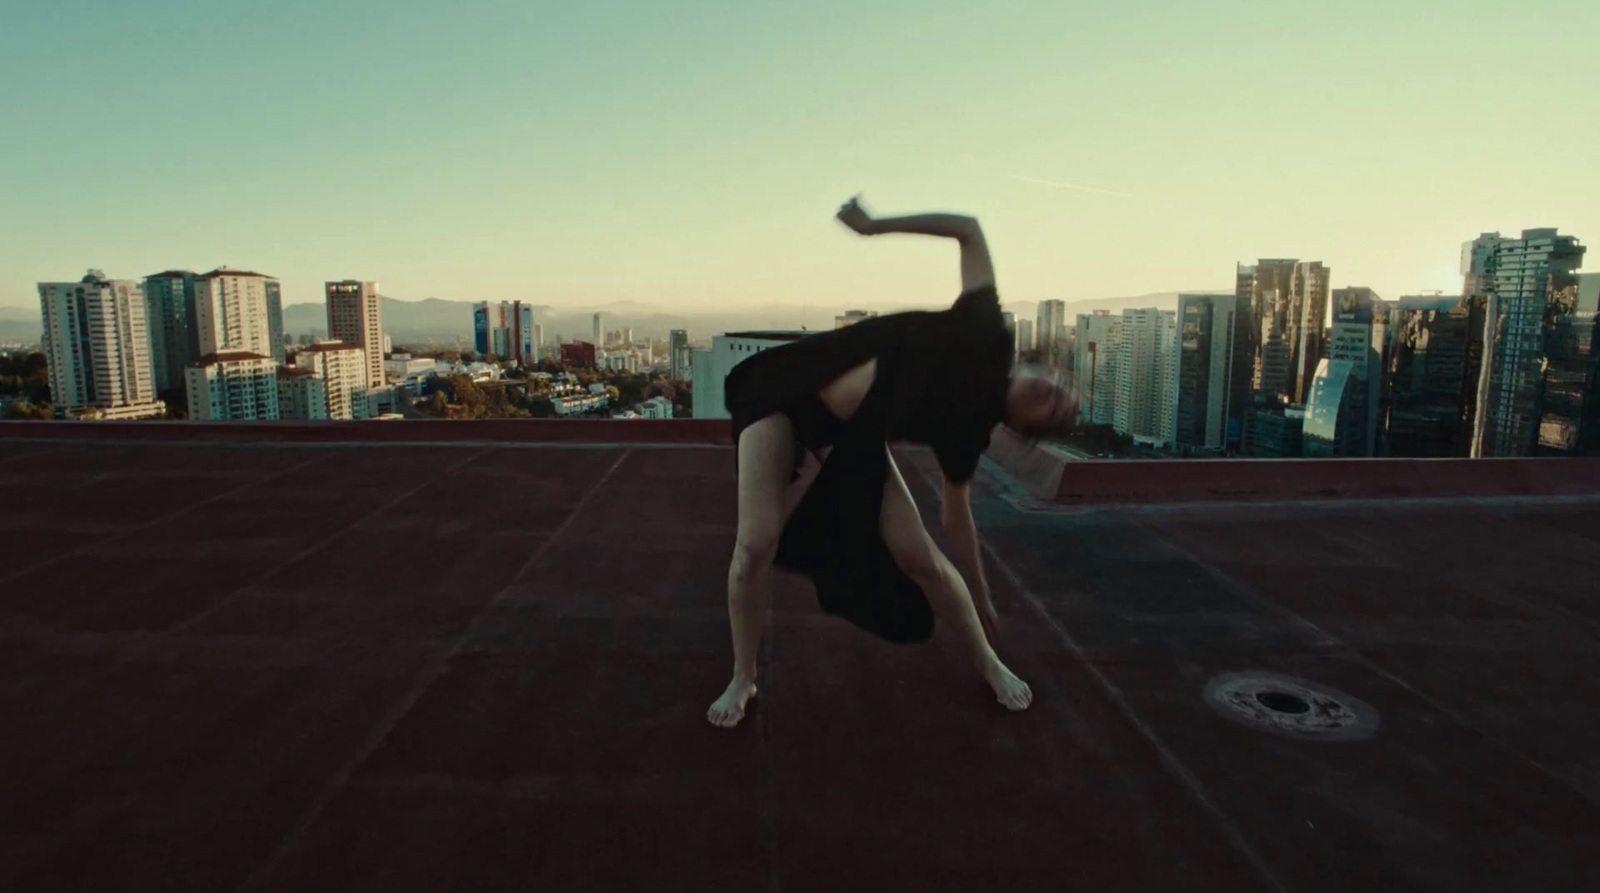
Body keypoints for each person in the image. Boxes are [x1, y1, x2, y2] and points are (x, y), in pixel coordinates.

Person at [707, 197, 1077, 729]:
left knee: (918, 555)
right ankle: (743, 676)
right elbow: (968, 229)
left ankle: (989, 663)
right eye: (1059, 385)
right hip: (781, 391)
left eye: (1055, 406)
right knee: (755, 541)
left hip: (848, 435)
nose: (1052, 389)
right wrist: (875, 227)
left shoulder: (966, 433)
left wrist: (981, 590)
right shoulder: (988, 334)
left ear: (1024, 426)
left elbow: (956, 518)